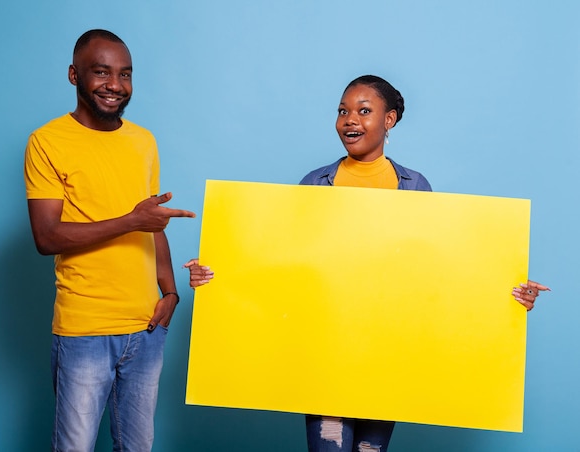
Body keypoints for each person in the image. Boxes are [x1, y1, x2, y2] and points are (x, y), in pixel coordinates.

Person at [183, 75, 550, 451]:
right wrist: (217, 275)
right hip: (324, 353)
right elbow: (279, 265)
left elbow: (439, 273)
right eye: (343, 111)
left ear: (389, 120)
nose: (350, 120)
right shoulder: (316, 184)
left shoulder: (414, 187)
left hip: (387, 356)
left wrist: (509, 292)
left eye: (364, 111)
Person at [24, 29, 195, 451]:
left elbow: (151, 224)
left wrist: (170, 292)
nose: (115, 85)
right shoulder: (46, 142)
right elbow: (46, 236)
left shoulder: (143, 141)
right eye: (101, 72)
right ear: (73, 75)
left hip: (146, 327)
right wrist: (130, 219)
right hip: (84, 330)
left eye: (125, 74)